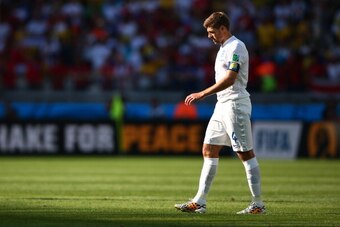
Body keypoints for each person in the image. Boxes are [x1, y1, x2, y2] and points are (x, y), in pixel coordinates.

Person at [174, 12, 265, 214]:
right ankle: (200, 201)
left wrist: (203, 93)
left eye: (212, 32)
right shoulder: (224, 48)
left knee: (245, 153)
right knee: (208, 150)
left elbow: (231, 78)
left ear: (223, 28)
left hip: (235, 104)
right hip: (221, 105)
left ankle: (258, 204)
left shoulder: (237, 47)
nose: (209, 36)